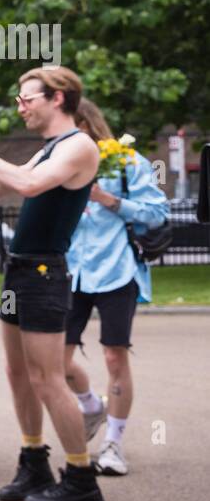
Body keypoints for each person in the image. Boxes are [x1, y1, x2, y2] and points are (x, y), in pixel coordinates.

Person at [0, 66, 105, 501]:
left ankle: (80, 479)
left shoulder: (79, 145)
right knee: (17, 372)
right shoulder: (51, 148)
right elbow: (5, 189)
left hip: (43, 273)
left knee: (47, 378)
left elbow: (29, 184)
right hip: (19, 273)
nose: (21, 107)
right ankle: (34, 459)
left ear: (57, 98)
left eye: (27, 99)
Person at [63, 100, 168, 475]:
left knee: (114, 356)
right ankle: (92, 405)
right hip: (72, 271)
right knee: (56, 360)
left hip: (117, 270)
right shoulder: (59, 165)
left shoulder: (126, 162)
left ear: (86, 124)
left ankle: (114, 444)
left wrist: (108, 199)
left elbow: (158, 212)